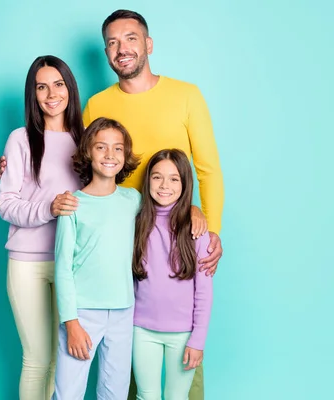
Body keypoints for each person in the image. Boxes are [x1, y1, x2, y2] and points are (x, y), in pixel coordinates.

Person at [82, 10, 225, 398]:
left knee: (184, 358)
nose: (121, 48)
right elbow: (81, 167)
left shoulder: (186, 95)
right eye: (111, 42)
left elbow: (208, 170)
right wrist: (23, 164)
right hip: (119, 243)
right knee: (123, 346)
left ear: (148, 45)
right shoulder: (96, 104)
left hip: (176, 236)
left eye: (130, 38)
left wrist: (210, 229)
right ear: (106, 53)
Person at [0, 55, 83, 399]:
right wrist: (48, 207)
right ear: (32, 95)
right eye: (41, 87)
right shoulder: (20, 139)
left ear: (69, 89)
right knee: (37, 359)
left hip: (72, 264)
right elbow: (6, 202)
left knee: (65, 361)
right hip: (27, 263)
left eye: (58, 84)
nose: (51, 94)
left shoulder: (86, 138)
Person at [52, 117, 141, 400]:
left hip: (123, 311)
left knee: (115, 393)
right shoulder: (73, 204)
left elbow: (168, 210)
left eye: (117, 148)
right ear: (88, 153)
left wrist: (195, 212)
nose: (110, 155)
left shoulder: (133, 200)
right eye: (101, 147)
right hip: (82, 313)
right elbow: (63, 268)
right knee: (68, 393)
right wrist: (71, 322)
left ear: (125, 155)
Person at [131, 149, 213, 399]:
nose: (164, 185)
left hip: (183, 333)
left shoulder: (196, 228)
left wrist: (197, 340)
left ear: (185, 183)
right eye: (157, 177)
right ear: (148, 181)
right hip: (141, 330)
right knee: (147, 396)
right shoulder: (136, 222)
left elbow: (204, 292)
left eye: (174, 179)